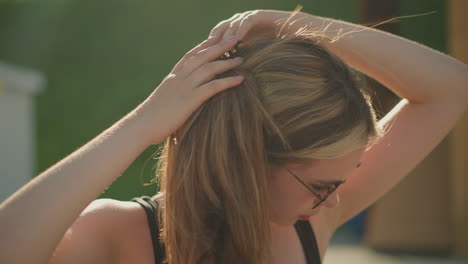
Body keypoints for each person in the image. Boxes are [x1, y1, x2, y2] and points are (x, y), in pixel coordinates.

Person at [0, 9, 467, 264]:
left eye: (340, 183)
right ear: (249, 159)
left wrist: (289, 23)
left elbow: (450, 86)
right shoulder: (121, 235)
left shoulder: (307, 222)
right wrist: (142, 124)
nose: (333, 203)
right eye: (322, 186)